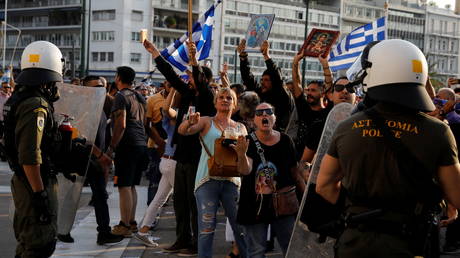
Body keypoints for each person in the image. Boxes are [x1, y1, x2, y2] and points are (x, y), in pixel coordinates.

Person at [316, 39, 460, 257]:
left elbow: (324, 186)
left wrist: (360, 208)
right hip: (411, 244)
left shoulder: (347, 127)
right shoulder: (438, 131)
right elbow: (457, 197)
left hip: (356, 242)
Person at [143, 39, 216, 255]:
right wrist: (155, 53)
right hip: (181, 157)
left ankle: (195, 243)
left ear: (202, 79)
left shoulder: (206, 97)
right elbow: (172, 77)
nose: (188, 79)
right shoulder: (188, 94)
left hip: (197, 158)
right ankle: (182, 239)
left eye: (193, 76)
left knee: (194, 204)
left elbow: (200, 85)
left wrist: (194, 60)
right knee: (180, 203)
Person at [4, 41, 64, 257]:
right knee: (39, 244)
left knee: (29, 242)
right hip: (33, 182)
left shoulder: (21, 98)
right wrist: (40, 195)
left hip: (26, 181)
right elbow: (30, 155)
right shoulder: (35, 105)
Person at [178, 87, 248, 258]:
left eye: (229, 98)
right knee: (206, 229)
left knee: (241, 229)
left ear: (235, 104)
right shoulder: (206, 121)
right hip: (207, 180)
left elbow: (245, 157)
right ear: (215, 102)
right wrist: (189, 121)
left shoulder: (241, 127)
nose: (225, 100)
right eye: (221, 97)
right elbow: (182, 131)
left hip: (232, 182)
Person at [234, 102, 304, 256]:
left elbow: (296, 173)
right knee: (256, 251)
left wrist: (305, 198)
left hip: (284, 205)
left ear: (274, 118)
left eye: (268, 112)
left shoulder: (286, 141)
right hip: (254, 207)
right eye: (259, 113)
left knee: (290, 249)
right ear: (254, 120)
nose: (264, 115)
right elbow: (245, 170)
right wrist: (241, 155)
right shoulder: (247, 141)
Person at [80, 75, 124, 245]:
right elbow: (82, 136)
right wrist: (100, 155)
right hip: (83, 158)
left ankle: (104, 232)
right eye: (95, 87)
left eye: (102, 87)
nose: (100, 90)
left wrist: (107, 152)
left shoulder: (101, 106)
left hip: (97, 160)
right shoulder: (83, 107)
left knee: (100, 196)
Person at [134, 88, 178, 247]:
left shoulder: (175, 116)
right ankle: (185, 237)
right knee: (184, 201)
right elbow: (167, 109)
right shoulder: (176, 116)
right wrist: (173, 89)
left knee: (159, 198)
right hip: (172, 163)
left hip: (167, 162)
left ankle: (143, 231)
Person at [108, 66, 148, 238]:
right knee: (131, 186)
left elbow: (121, 124)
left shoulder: (120, 96)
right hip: (141, 144)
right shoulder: (140, 96)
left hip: (127, 146)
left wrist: (112, 146)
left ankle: (124, 225)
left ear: (118, 78)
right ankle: (131, 222)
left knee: (124, 186)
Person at [238, 39, 295, 133]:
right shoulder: (261, 93)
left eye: (266, 80)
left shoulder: (282, 95)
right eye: (261, 79)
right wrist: (243, 58)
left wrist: (266, 56)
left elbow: (277, 78)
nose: (262, 83)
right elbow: (248, 79)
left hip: (279, 135)